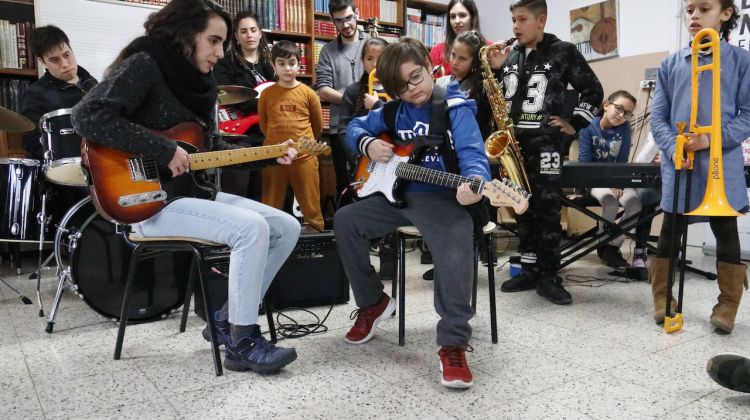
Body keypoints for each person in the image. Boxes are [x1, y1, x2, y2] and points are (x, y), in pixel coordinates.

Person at [71, 0, 300, 374]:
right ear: (185, 35)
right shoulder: (146, 64)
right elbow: (86, 115)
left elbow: (212, 152)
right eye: (213, 40)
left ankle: (226, 321)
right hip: (147, 202)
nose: (219, 52)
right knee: (251, 229)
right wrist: (162, 149)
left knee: (286, 227)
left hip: (192, 194)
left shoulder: (202, 84)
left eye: (223, 43)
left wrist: (270, 155)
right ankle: (242, 339)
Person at [335, 38, 491, 388]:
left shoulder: (454, 106)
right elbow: (354, 129)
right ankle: (373, 302)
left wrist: (474, 183)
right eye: (400, 86)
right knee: (345, 221)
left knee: (454, 247)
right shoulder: (392, 111)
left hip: (443, 199)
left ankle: (452, 343)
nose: (412, 90)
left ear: (429, 64)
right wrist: (369, 144)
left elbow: (473, 154)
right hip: (395, 197)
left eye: (416, 77)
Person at [649, 0, 750, 333]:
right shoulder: (670, 64)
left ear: (725, 14)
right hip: (681, 158)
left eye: (703, 8)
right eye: (690, 9)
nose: (694, 16)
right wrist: (673, 145)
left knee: (726, 231)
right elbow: (659, 117)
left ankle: (727, 306)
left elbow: (747, 114)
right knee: (670, 230)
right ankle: (663, 299)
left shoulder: (741, 61)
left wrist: (712, 140)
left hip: (722, 158)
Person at [496, 0, 604, 305]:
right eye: (513, 20)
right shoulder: (511, 55)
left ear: (541, 20)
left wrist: (575, 123)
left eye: (522, 19)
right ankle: (529, 268)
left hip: (549, 146)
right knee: (521, 207)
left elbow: (594, 90)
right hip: (515, 147)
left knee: (548, 207)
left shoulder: (564, 51)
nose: (515, 26)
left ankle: (549, 274)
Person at [570, 90, 642, 269]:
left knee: (635, 204)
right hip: (594, 180)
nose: (621, 115)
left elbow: (622, 160)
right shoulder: (588, 126)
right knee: (610, 201)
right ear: (607, 105)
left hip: (616, 179)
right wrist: (578, 192)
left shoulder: (625, 129)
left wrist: (617, 183)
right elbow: (584, 162)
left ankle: (611, 247)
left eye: (627, 113)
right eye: (618, 108)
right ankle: (603, 242)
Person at [259, 40, 325, 231]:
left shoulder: (309, 93)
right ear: (274, 65)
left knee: (311, 204)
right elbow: (264, 125)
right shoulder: (267, 94)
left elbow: (317, 126)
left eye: (291, 63)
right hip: (273, 157)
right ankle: (270, 236)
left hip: (304, 157)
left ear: (299, 65)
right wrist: (276, 146)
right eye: (281, 63)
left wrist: (304, 145)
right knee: (269, 204)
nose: (287, 68)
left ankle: (315, 235)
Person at [213, 11, 274, 201]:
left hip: (264, 134)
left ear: (260, 33)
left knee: (261, 194)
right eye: (244, 31)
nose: (249, 35)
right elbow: (227, 96)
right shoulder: (225, 63)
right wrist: (265, 106)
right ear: (237, 36)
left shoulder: (270, 64)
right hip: (238, 136)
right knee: (237, 194)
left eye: (253, 30)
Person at [315, 0, 370, 203]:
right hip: (342, 128)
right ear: (333, 21)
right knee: (345, 184)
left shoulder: (373, 44)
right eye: (339, 21)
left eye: (348, 18)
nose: (345, 25)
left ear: (356, 13)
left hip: (374, 124)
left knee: (374, 182)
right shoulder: (327, 51)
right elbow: (323, 90)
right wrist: (353, 100)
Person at [20, 25, 97, 161]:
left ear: (71, 49)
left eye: (67, 55)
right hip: (64, 173)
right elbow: (31, 141)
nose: (65, 64)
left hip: (102, 167)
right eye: (55, 60)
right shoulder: (35, 94)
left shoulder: (93, 84)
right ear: (42, 61)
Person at [429, 0, 484, 77]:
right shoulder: (437, 51)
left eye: (462, 15)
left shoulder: (487, 49)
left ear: (472, 18)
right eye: (453, 17)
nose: (457, 21)